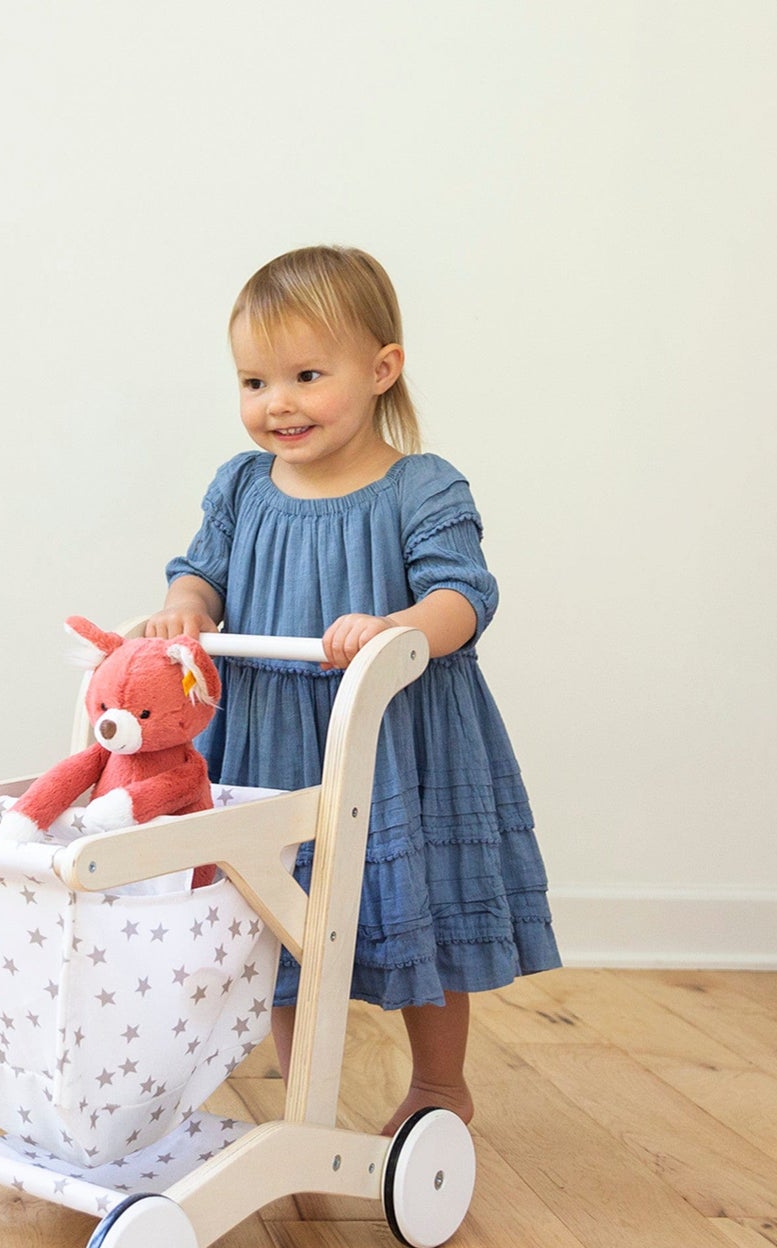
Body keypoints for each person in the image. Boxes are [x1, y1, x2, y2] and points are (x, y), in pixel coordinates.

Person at [145, 244, 559, 1136]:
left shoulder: (421, 485)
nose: (276, 402)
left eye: (304, 374)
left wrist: (396, 628)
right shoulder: (241, 486)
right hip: (268, 737)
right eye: (254, 381)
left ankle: (439, 1085)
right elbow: (199, 573)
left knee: (426, 906)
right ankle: (307, 1107)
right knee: (280, 917)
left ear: (380, 370)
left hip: (395, 739)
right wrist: (183, 608)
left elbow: (465, 597)